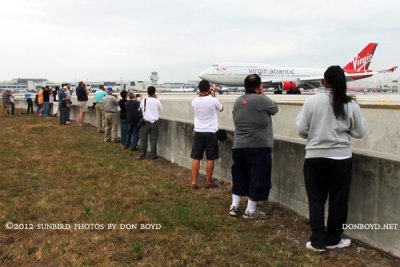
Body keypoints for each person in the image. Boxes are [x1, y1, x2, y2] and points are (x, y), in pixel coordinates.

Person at [296, 65, 368, 252]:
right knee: (339, 201)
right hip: (341, 159)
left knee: (316, 200)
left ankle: (318, 241)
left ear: (324, 81)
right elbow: (360, 132)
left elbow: (302, 130)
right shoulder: (350, 104)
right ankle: (334, 239)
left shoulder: (312, 102)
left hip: (315, 157)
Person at [229, 74, 278, 219]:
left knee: (239, 175)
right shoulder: (261, 99)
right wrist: (262, 94)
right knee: (258, 177)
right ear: (259, 86)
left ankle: (234, 206)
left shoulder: (238, 101)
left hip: (239, 145)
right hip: (259, 146)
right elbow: (275, 109)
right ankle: (250, 210)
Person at [190, 80, 224, 189]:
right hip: (210, 132)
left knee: (196, 157)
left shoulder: (194, 101)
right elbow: (221, 109)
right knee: (210, 158)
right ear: (209, 89)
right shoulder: (213, 100)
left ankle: (194, 182)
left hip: (198, 131)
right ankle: (208, 182)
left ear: (199, 89)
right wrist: (213, 95)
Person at [138, 86, 162, 160]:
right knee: (153, 139)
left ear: (147, 92)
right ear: (154, 92)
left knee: (143, 139)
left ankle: (142, 155)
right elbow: (160, 109)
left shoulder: (144, 100)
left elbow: (140, 109)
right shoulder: (157, 101)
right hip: (154, 122)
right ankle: (153, 155)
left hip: (145, 121)